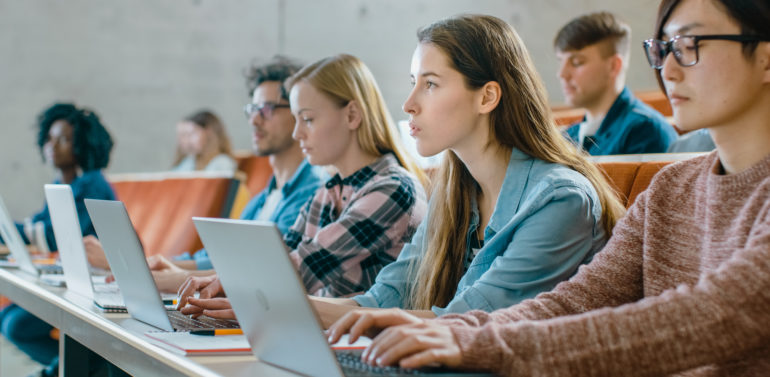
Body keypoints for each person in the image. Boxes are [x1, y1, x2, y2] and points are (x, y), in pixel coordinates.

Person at [328, 1, 770, 375]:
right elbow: (573, 302)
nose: (668, 70)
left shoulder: (561, 194)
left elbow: (717, 312)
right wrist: (461, 332)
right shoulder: (670, 190)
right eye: (664, 48)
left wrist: (477, 342)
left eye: (691, 45)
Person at [179, 16, 625, 330]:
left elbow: (466, 324)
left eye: (429, 84)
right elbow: (384, 299)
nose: (409, 103)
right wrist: (260, 302)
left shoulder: (561, 200)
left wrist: (270, 304)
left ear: (487, 97)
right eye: (413, 82)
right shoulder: (455, 193)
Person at [176, 54, 430, 314]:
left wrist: (230, 287)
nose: (297, 134)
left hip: (363, 344)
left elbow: (303, 268)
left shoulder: (394, 189)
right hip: (319, 333)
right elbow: (282, 256)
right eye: (296, 119)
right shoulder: (330, 190)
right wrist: (220, 282)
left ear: (352, 115)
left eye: (307, 119)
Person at [84, 56, 328, 293]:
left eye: (266, 109)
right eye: (252, 109)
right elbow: (218, 257)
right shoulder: (265, 196)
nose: (254, 119)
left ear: (298, 111)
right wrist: (148, 266)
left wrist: (152, 273)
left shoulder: (313, 192)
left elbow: (259, 272)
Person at [0, 103, 116, 377]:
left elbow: (50, 237)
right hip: (70, 277)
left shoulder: (91, 185)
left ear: (82, 145)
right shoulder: (61, 184)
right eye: (50, 138)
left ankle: (69, 370)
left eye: (63, 139)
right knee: (6, 320)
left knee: (16, 325)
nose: (52, 145)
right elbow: (38, 228)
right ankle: (72, 369)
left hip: (96, 283)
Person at [557, 11, 678, 155]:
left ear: (613, 66)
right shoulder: (570, 135)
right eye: (561, 61)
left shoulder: (645, 132)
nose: (562, 74)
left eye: (577, 62)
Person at [170, 110, 236, 173]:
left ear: (209, 132)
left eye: (191, 134)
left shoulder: (222, 163)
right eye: (183, 135)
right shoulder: (189, 161)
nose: (186, 141)